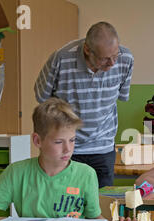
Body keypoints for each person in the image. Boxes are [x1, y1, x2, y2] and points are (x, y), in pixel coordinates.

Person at [34, 21, 134, 188]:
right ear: (87, 50)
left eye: (115, 56)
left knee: (101, 204)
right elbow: (42, 96)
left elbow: (121, 95)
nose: (112, 64)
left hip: (103, 147)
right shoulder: (61, 58)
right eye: (104, 59)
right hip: (66, 147)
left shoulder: (125, 59)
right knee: (63, 203)